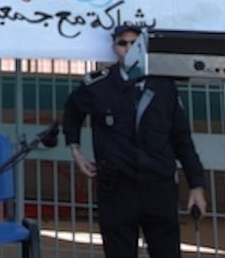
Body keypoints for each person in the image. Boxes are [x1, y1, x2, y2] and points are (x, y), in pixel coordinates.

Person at [61, 23, 208, 258]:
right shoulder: (98, 85)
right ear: (114, 48)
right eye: (122, 43)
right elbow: (72, 113)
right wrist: (75, 150)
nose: (128, 49)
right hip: (117, 188)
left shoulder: (163, 85)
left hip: (158, 187)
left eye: (134, 43)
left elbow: (182, 138)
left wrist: (196, 185)